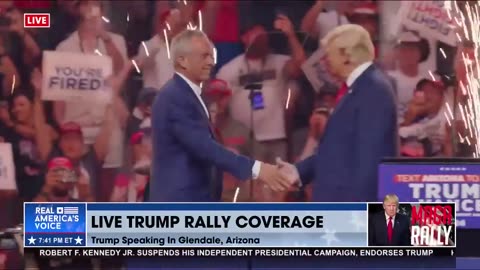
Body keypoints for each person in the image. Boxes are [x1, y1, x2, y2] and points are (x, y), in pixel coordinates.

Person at [150, 29, 291, 203]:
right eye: (204, 56)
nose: (211, 62)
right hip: (180, 203)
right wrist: (256, 168)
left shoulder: (191, 95)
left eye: (211, 56)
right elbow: (204, 148)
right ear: (182, 61)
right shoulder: (175, 97)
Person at [277, 24, 398, 202]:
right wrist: (298, 171)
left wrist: (356, 215)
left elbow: (370, 162)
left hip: (350, 211)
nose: (324, 61)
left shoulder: (374, 89)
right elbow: (337, 151)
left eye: (329, 54)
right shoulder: (357, 89)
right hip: (337, 209)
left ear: (347, 56)